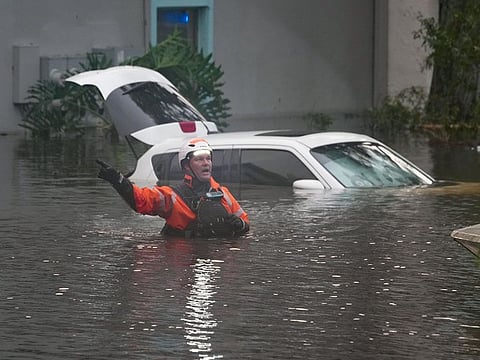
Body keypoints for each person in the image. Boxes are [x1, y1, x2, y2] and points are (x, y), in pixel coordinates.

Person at [96, 137, 250, 238]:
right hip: (183, 263)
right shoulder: (172, 197)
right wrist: (118, 179)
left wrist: (241, 225)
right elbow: (140, 200)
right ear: (186, 166)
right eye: (199, 159)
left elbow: (245, 222)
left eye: (208, 159)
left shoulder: (223, 194)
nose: (206, 163)